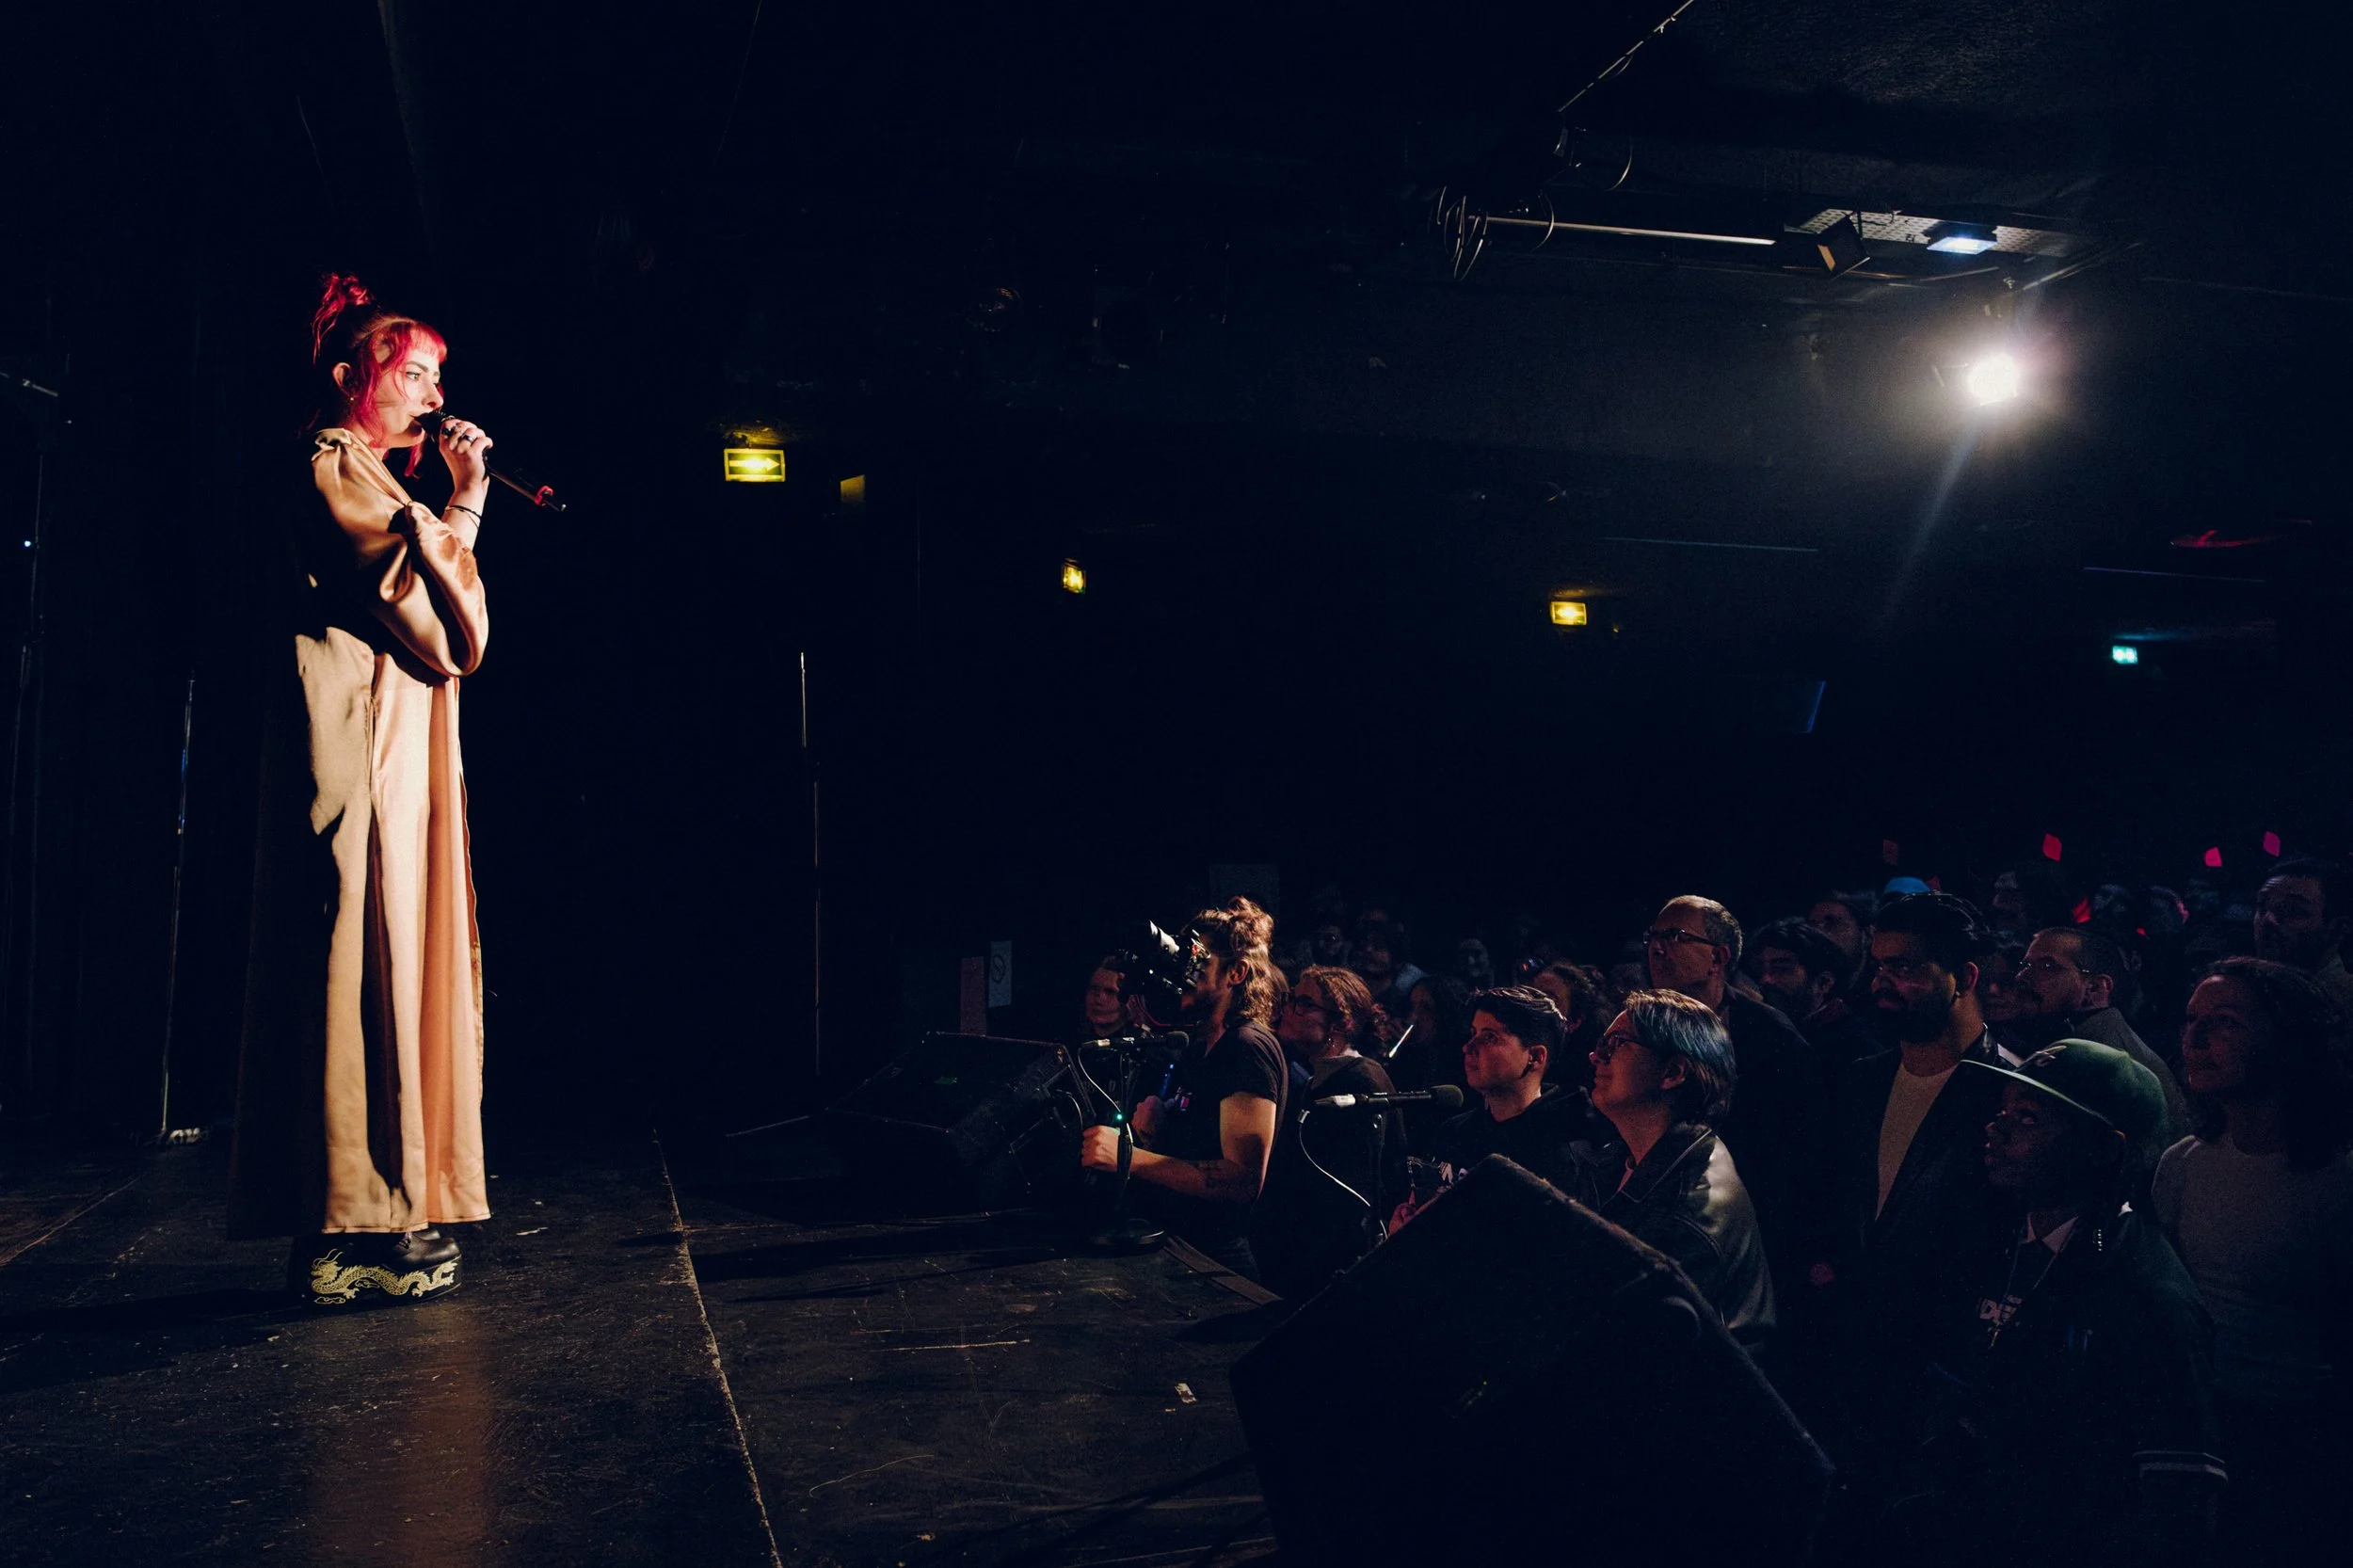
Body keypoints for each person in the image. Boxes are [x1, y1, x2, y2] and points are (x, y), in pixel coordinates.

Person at [231, 275, 493, 1307]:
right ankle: (342, 1230)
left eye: (438, 376)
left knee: (390, 963)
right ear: (352, 377)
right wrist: (462, 504)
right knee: (355, 965)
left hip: (387, 745)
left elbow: (434, 605)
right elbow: (440, 627)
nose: (433, 396)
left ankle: (387, 1212)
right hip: (357, 746)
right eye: (414, 372)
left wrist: (454, 507)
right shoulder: (334, 465)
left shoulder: (379, 481)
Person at [1855, 1041, 2222, 1567]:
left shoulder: (2146, 1293)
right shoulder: (1986, 1243)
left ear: (2104, 1150)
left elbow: (2181, 1502)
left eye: (2027, 1120)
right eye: (2003, 1112)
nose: (1996, 1129)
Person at [2151, 957, 2353, 1558]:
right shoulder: (2184, 1164)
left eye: (2227, 1022)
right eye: (2192, 1020)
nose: (2196, 1038)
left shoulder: (2338, 1178)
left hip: (2300, 1439)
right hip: (2198, 1426)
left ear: (2285, 1042)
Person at [1830, 892, 2014, 1411]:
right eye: (1878, 965)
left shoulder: (2009, 1095)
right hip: (1852, 1352)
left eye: (1905, 966)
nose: (1881, 982)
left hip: (1945, 1368)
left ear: (1967, 977)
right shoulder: (1860, 1082)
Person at [1081, 898, 1286, 1278]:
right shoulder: (1200, 1044)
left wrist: (1126, 1156)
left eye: (1198, 964)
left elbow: (1241, 1180)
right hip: (1181, 1247)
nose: (1183, 976)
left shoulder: (1247, 1047)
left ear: (1236, 973)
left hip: (1218, 1265)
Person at [1643, 896, 1833, 1295]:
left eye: (1674, 936)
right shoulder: (1641, 1027)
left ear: (1718, 958)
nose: (1657, 948)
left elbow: (1805, 1150)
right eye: (1653, 937)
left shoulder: (1770, 1037)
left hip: (1748, 1235)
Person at [1569, 991, 1775, 1349]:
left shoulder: (1687, 1211)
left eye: (1617, 1043)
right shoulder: (1620, 1158)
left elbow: (1625, 1345)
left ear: (1672, 1072)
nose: (1594, 1055)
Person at [1251, 967, 1403, 1299]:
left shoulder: (1361, 1083)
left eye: (1304, 1004)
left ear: (1342, 1024)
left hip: (1327, 1271)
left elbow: (1353, 1193)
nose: (1289, 1010)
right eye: (1291, 999)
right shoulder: (1317, 1077)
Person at [1387, 986, 1589, 1228]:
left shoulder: (1562, 1151)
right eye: (1473, 1033)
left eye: (1490, 1037)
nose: (1469, 1046)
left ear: (1534, 1057)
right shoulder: (1455, 1131)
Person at [2004, 926, 2190, 1178]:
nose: (2022, 977)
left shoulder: (2107, 1063)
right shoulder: (2078, 1045)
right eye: (2024, 965)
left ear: (2095, 989)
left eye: (2047, 966)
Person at [1746, 917, 1882, 1068]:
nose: (1765, 980)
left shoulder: (1856, 1046)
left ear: (1824, 982)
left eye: (1781, 969)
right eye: (1761, 969)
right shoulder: (1767, 1032)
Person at [2252, 856, 2353, 1016]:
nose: (2268, 920)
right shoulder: (2255, 989)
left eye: (2292, 909)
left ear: (2338, 930)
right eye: (2262, 905)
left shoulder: (2338, 1005)